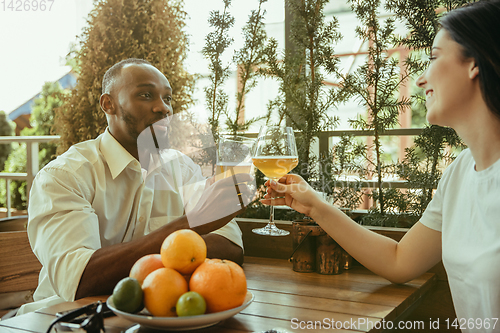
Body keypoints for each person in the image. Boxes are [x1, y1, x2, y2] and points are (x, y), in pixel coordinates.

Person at [262, 1, 500, 330]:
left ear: (474, 63)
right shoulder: (459, 173)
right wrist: (315, 206)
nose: (420, 78)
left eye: (433, 57)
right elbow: (399, 261)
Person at [18, 58, 251, 315]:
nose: (163, 108)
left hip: (161, 316)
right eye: (146, 95)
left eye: (168, 99)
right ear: (109, 104)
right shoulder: (64, 176)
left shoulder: (183, 169)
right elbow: (81, 279)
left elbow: (230, 248)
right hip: (62, 320)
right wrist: (192, 225)